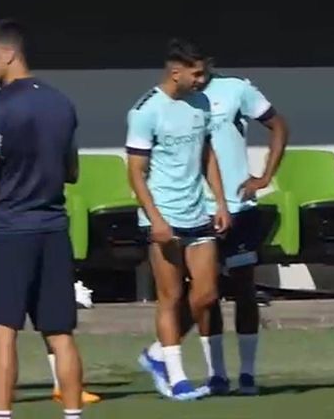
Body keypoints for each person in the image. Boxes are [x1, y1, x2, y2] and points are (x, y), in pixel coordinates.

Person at [140, 59, 289, 397]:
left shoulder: (237, 88)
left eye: (204, 70)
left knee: (245, 288)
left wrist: (265, 176)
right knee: (205, 296)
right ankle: (215, 373)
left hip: (237, 208)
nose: (200, 78)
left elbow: (279, 125)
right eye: (195, 71)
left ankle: (247, 373)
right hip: (196, 210)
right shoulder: (171, 103)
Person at [0, 20, 85, 419]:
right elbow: (72, 171)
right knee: (60, 335)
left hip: (9, 230)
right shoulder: (62, 102)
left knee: (2, 332)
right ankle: (74, 414)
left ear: (8, 52)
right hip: (53, 229)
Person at [129, 39, 232, 401]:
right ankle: (176, 376)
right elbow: (136, 173)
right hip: (164, 217)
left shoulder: (201, 103)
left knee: (206, 295)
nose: (203, 80)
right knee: (170, 297)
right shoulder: (145, 110)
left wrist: (220, 201)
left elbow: (207, 155)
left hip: (197, 214)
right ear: (176, 72)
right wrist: (155, 219)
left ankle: (156, 353)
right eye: (197, 73)